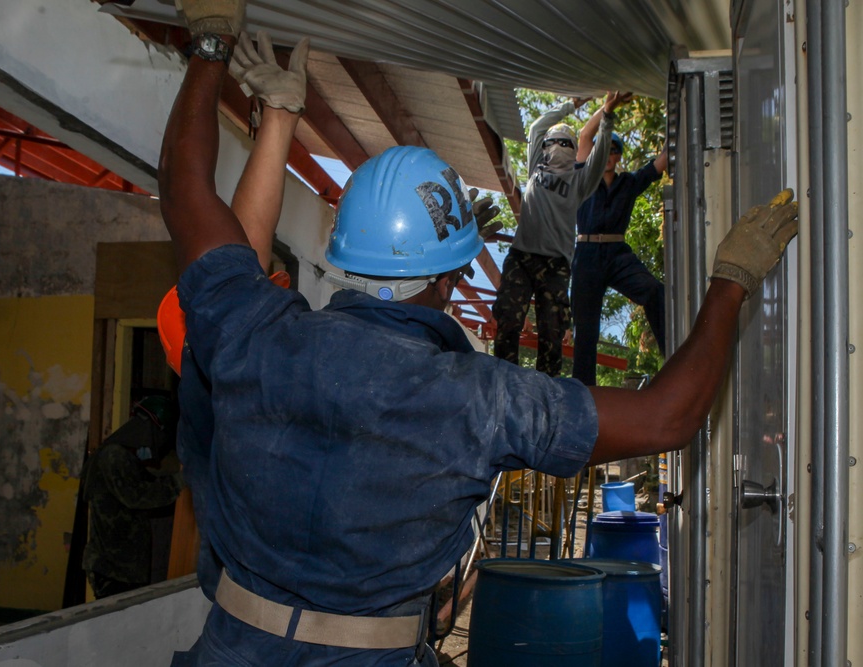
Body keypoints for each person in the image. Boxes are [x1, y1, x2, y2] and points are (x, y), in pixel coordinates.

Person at [161, 2, 798, 664]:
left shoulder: (253, 332)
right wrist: (730, 280)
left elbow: (186, 193)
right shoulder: (476, 398)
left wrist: (211, 45)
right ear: (448, 278)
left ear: (345, 251)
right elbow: (670, 416)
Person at [491, 91, 631, 376]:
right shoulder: (535, 168)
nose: (558, 147)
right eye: (553, 142)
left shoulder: (580, 179)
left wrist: (607, 114)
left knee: (552, 334)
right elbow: (536, 127)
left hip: (555, 265)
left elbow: (600, 151)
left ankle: (546, 393)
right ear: (546, 147)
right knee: (507, 319)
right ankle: (502, 381)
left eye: (564, 143)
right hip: (522, 257)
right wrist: (572, 104)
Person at [571, 108, 669, 385]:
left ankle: (672, 357)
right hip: (587, 255)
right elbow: (584, 136)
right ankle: (585, 391)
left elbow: (660, 162)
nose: (609, 155)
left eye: (614, 150)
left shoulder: (629, 182)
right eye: (605, 149)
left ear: (618, 156)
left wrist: (675, 129)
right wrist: (608, 108)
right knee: (586, 327)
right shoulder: (584, 176)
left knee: (654, 291)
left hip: (617, 253)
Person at [82, 395, 184, 599]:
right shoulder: (114, 456)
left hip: (124, 568)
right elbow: (137, 497)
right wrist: (180, 482)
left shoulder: (124, 457)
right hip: (113, 568)